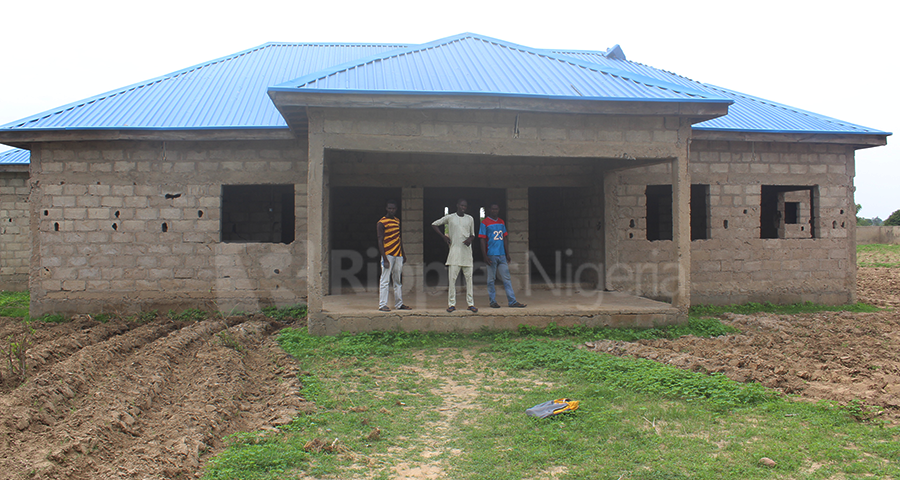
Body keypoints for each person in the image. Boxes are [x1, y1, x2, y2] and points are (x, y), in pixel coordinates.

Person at [431, 199, 478, 313]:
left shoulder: (470, 218)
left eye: (465, 206)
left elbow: (473, 235)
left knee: (469, 280)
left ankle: (470, 304)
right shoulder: (450, 217)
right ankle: (451, 304)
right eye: (461, 205)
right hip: (454, 254)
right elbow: (434, 224)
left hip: (467, 254)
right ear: (457, 205)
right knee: (452, 280)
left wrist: (470, 239)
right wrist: (443, 236)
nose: (463, 207)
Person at [479, 204, 526, 308]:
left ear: (498, 210)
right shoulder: (484, 222)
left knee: (507, 279)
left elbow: (505, 238)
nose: (494, 210)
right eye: (492, 208)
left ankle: (512, 301)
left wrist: (507, 253)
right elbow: (482, 239)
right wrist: (484, 256)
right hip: (491, 255)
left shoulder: (501, 221)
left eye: (496, 209)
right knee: (491, 280)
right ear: (489, 210)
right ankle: (492, 301)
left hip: (502, 255)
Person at [376, 200, 410, 312]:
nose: (392, 210)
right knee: (385, 280)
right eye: (390, 208)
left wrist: (403, 254)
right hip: (388, 255)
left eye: (393, 209)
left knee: (398, 281)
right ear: (386, 209)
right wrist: (384, 258)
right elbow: (380, 241)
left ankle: (399, 304)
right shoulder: (381, 222)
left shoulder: (397, 221)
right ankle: (382, 305)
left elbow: (398, 239)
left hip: (398, 255)